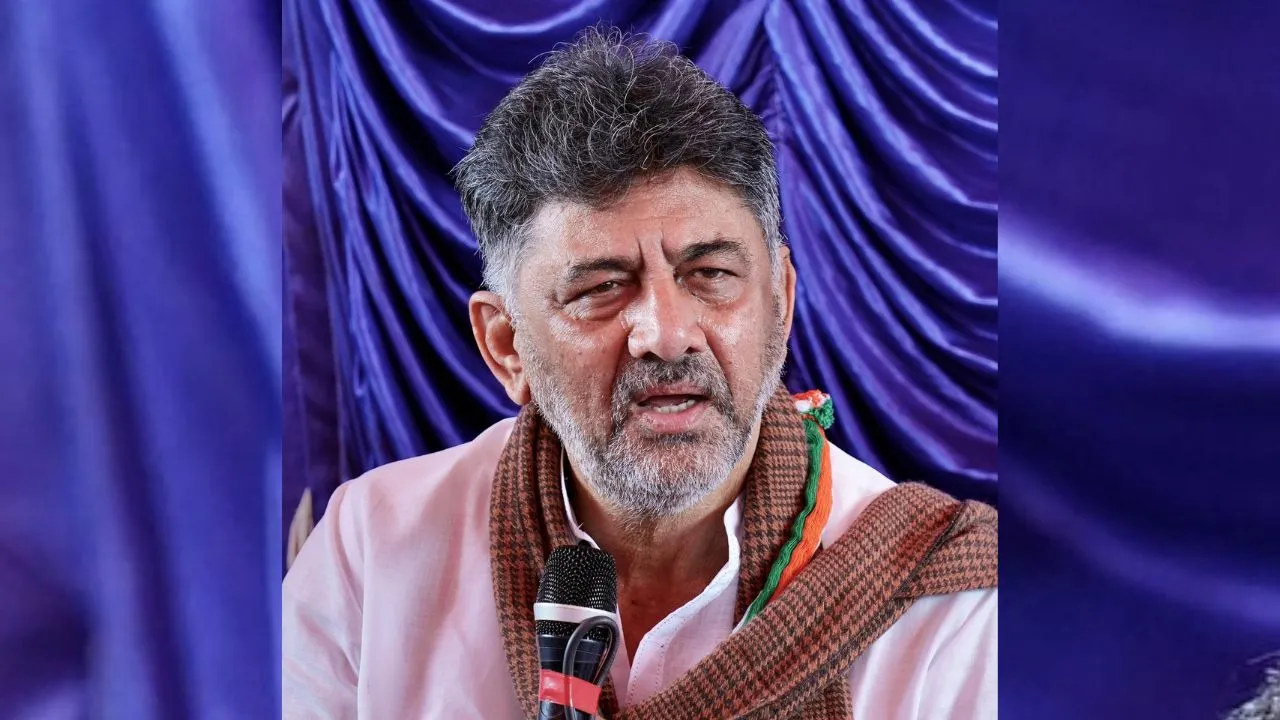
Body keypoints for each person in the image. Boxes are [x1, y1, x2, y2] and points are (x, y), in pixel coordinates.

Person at [283, 27, 998, 719]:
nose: (666, 334)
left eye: (710, 274)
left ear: (780, 304)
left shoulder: (950, 609)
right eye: (601, 287)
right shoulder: (372, 552)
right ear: (506, 346)